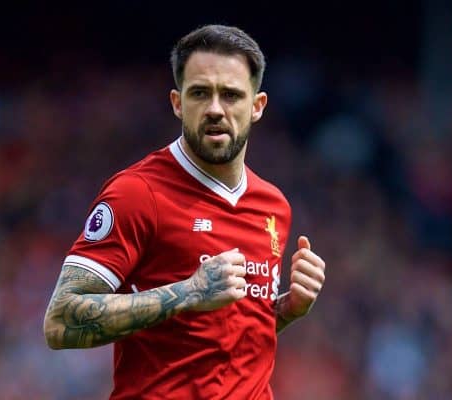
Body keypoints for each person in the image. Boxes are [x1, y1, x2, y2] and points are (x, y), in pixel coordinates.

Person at [43, 24, 326, 399]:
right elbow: (60, 321)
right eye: (199, 93)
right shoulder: (138, 193)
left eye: (230, 95)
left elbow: (219, 336)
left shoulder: (273, 205)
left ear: (256, 107)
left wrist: (286, 311)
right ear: (177, 102)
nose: (214, 109)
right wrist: (188, 291)